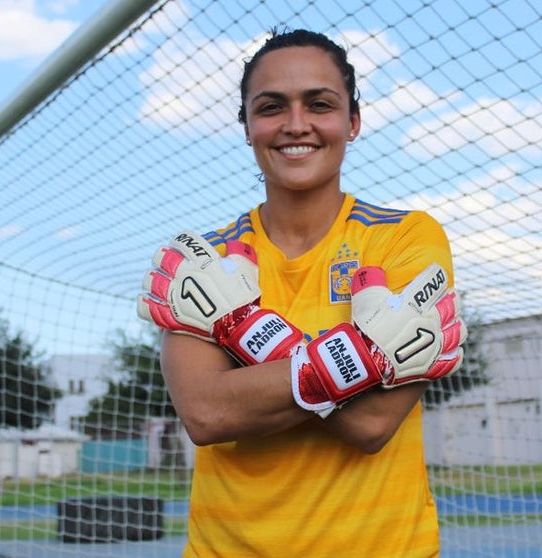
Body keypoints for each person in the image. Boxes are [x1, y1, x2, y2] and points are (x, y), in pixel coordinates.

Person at [138, 28, 465, 557]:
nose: (296, 125)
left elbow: (372, 423)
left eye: (319, 104)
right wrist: (365, 355)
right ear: (247, 127)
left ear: (352, 122)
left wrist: (239, 328)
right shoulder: (204, 259)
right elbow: (206, 414)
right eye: (271, 107)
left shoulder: (406, 237)